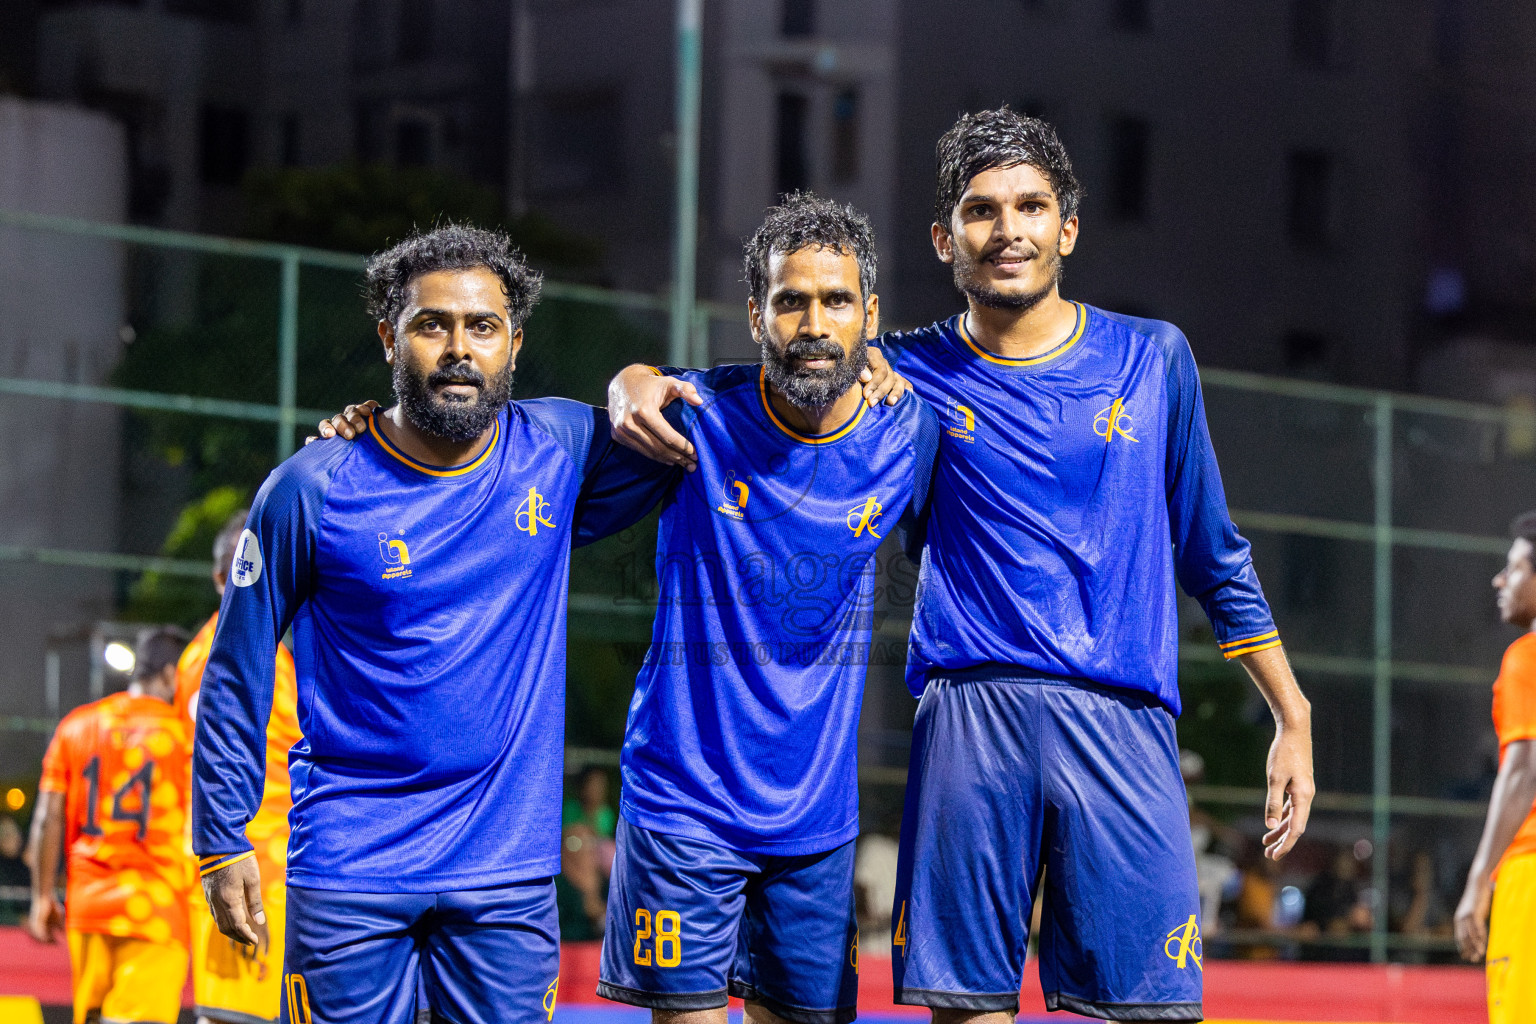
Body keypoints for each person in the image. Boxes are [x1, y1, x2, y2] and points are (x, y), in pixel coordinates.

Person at [608, 110, 1314, 1022]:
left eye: (1031, 206)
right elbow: (774, 379)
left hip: (1125, 724)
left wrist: (1291, 713)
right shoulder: (901, 378)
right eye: (982, 210)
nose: (1007, 230)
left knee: (1149, 1011)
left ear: (1068, 227)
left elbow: (1214, 555)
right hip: (970, 722)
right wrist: (633, 379)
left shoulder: (1154, 358)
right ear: (945, 239)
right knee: (967, 1009)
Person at [192, 225, 666, 1024]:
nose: (458, 349)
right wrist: (220, 838)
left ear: (514, 343)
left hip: (505, 875)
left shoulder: (558, 448)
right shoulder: (311, 488)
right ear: (389, 338)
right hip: (350, 868)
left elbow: (719, 417)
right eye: (431, 325)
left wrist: (641, 376)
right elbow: (236, 668)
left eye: (482, 326)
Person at [595, 193, 938, 1024]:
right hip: (684, 807)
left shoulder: (908, 432)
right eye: (791, 301)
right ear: (756, 314)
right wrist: (625, 381)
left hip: (816, 824)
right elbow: (525, 454)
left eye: (837, 301)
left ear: (871, 317)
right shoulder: (689, 417)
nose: (814, 324)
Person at [28, 628, 195, 1024]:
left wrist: (41, 897)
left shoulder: (77, 726)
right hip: (156, 908)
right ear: (170, 674)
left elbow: (47, 816)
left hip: (88, 906)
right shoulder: (185, 737)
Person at [177, 510, 301, 1024]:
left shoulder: (210, 654)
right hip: (250, 858)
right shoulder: (235, 656)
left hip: (252, 855)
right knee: (233, 1016)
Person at [1454, 511, 1536, 1022]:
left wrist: (1478, 879)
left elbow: (1524, 770)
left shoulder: (1527, 658)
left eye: (1515, 568)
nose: (1500, 580)